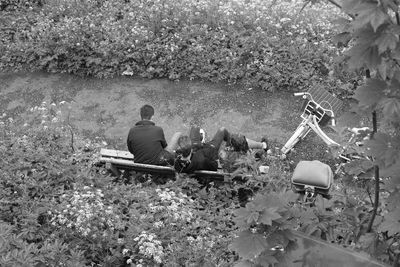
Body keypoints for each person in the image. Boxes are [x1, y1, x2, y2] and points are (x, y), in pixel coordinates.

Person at [174, 127, 269, 173]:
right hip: (208, 151)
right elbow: (215, 165)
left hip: (200, 152)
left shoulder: (177, 162)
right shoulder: (225, 156)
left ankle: (262, 146)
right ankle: (264, 146)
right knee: (222, 130)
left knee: (195, 128)